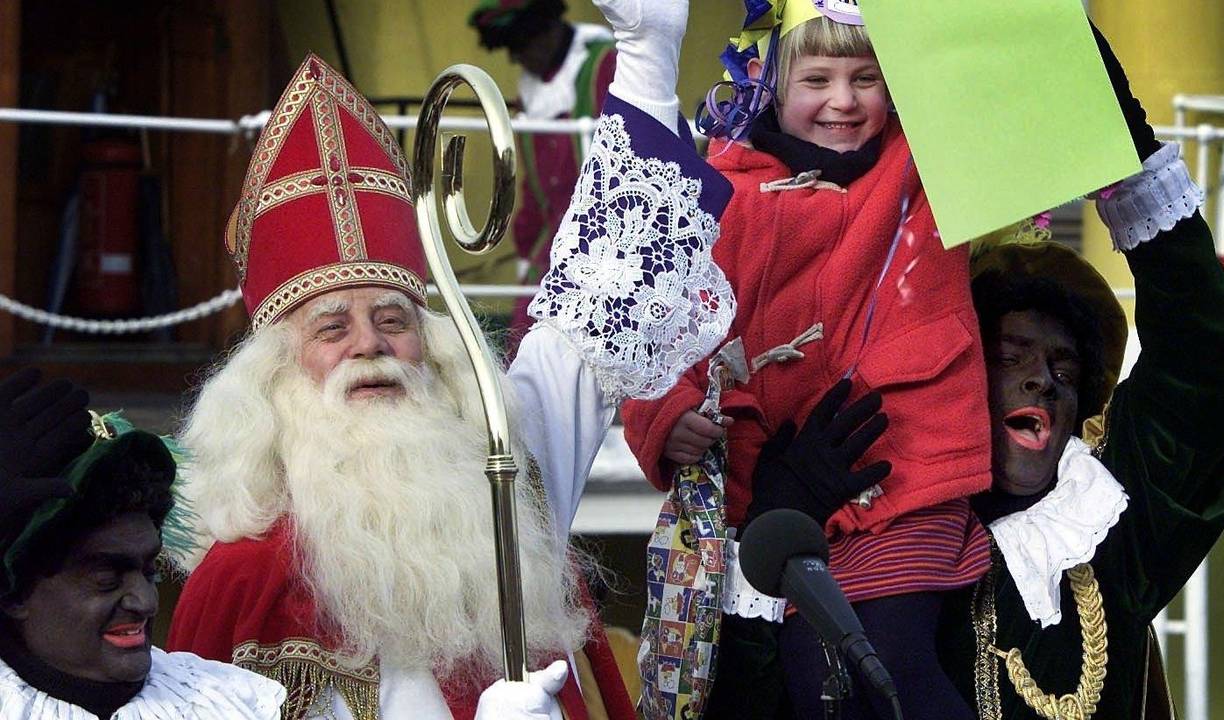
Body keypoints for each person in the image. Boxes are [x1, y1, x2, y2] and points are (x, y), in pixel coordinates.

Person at [166, 0, 733, 715]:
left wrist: (647, 53)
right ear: (272, 376)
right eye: (332, 327)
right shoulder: (241, 578)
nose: (369, 345)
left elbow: (601, 300)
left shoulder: (501, 479)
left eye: (393, 318)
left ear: (433, 346)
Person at [621, 1, 990, 717]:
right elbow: (660, 323)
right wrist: (666, 416)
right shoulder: (720, 190)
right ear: (771, 82)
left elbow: (982, 83)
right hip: (771, 504)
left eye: (868, 78)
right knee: (808, 678)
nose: (844, 101)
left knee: (886, 673)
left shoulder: (926, 168)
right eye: (817, 77)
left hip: (904, 482)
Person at [935, 27, 1224, 720]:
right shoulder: (902, 543)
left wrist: (1122, 144)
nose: (1042, 379)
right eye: (1010, 357)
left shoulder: (1113, 536)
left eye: (1062, 366)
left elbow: (1199, 354)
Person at [0, 369, 285, 719]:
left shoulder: (232, 705)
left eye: (149, 571)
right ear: (15, 594)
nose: (147, 602)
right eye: (106, 578)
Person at [467, 0, 616, 351]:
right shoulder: (529, 92)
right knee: (522, 342)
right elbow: (531, 186)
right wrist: (525, 247)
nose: (516, 58)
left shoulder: (602, 66)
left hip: (605, 236)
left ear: (547, 30)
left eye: (521, 45)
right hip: (548, 245)